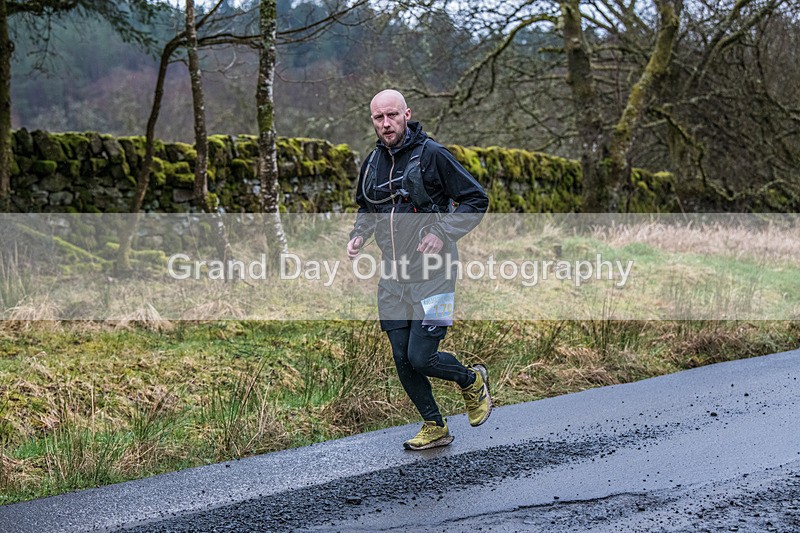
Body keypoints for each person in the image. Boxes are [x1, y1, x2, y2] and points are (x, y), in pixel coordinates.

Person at [346, 89, 491, 450]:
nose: (386, 124)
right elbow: (367, 207)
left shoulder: (433, 155)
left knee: (421, 357)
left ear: (407, 115)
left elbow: (476, 199)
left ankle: (470, 380)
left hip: (436, 274)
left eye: (392, 115)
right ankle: (434, 425)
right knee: (401, 357)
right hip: (393, 278)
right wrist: (359, 235)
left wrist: (442, 232)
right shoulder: (372, 163)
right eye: (378, 118)